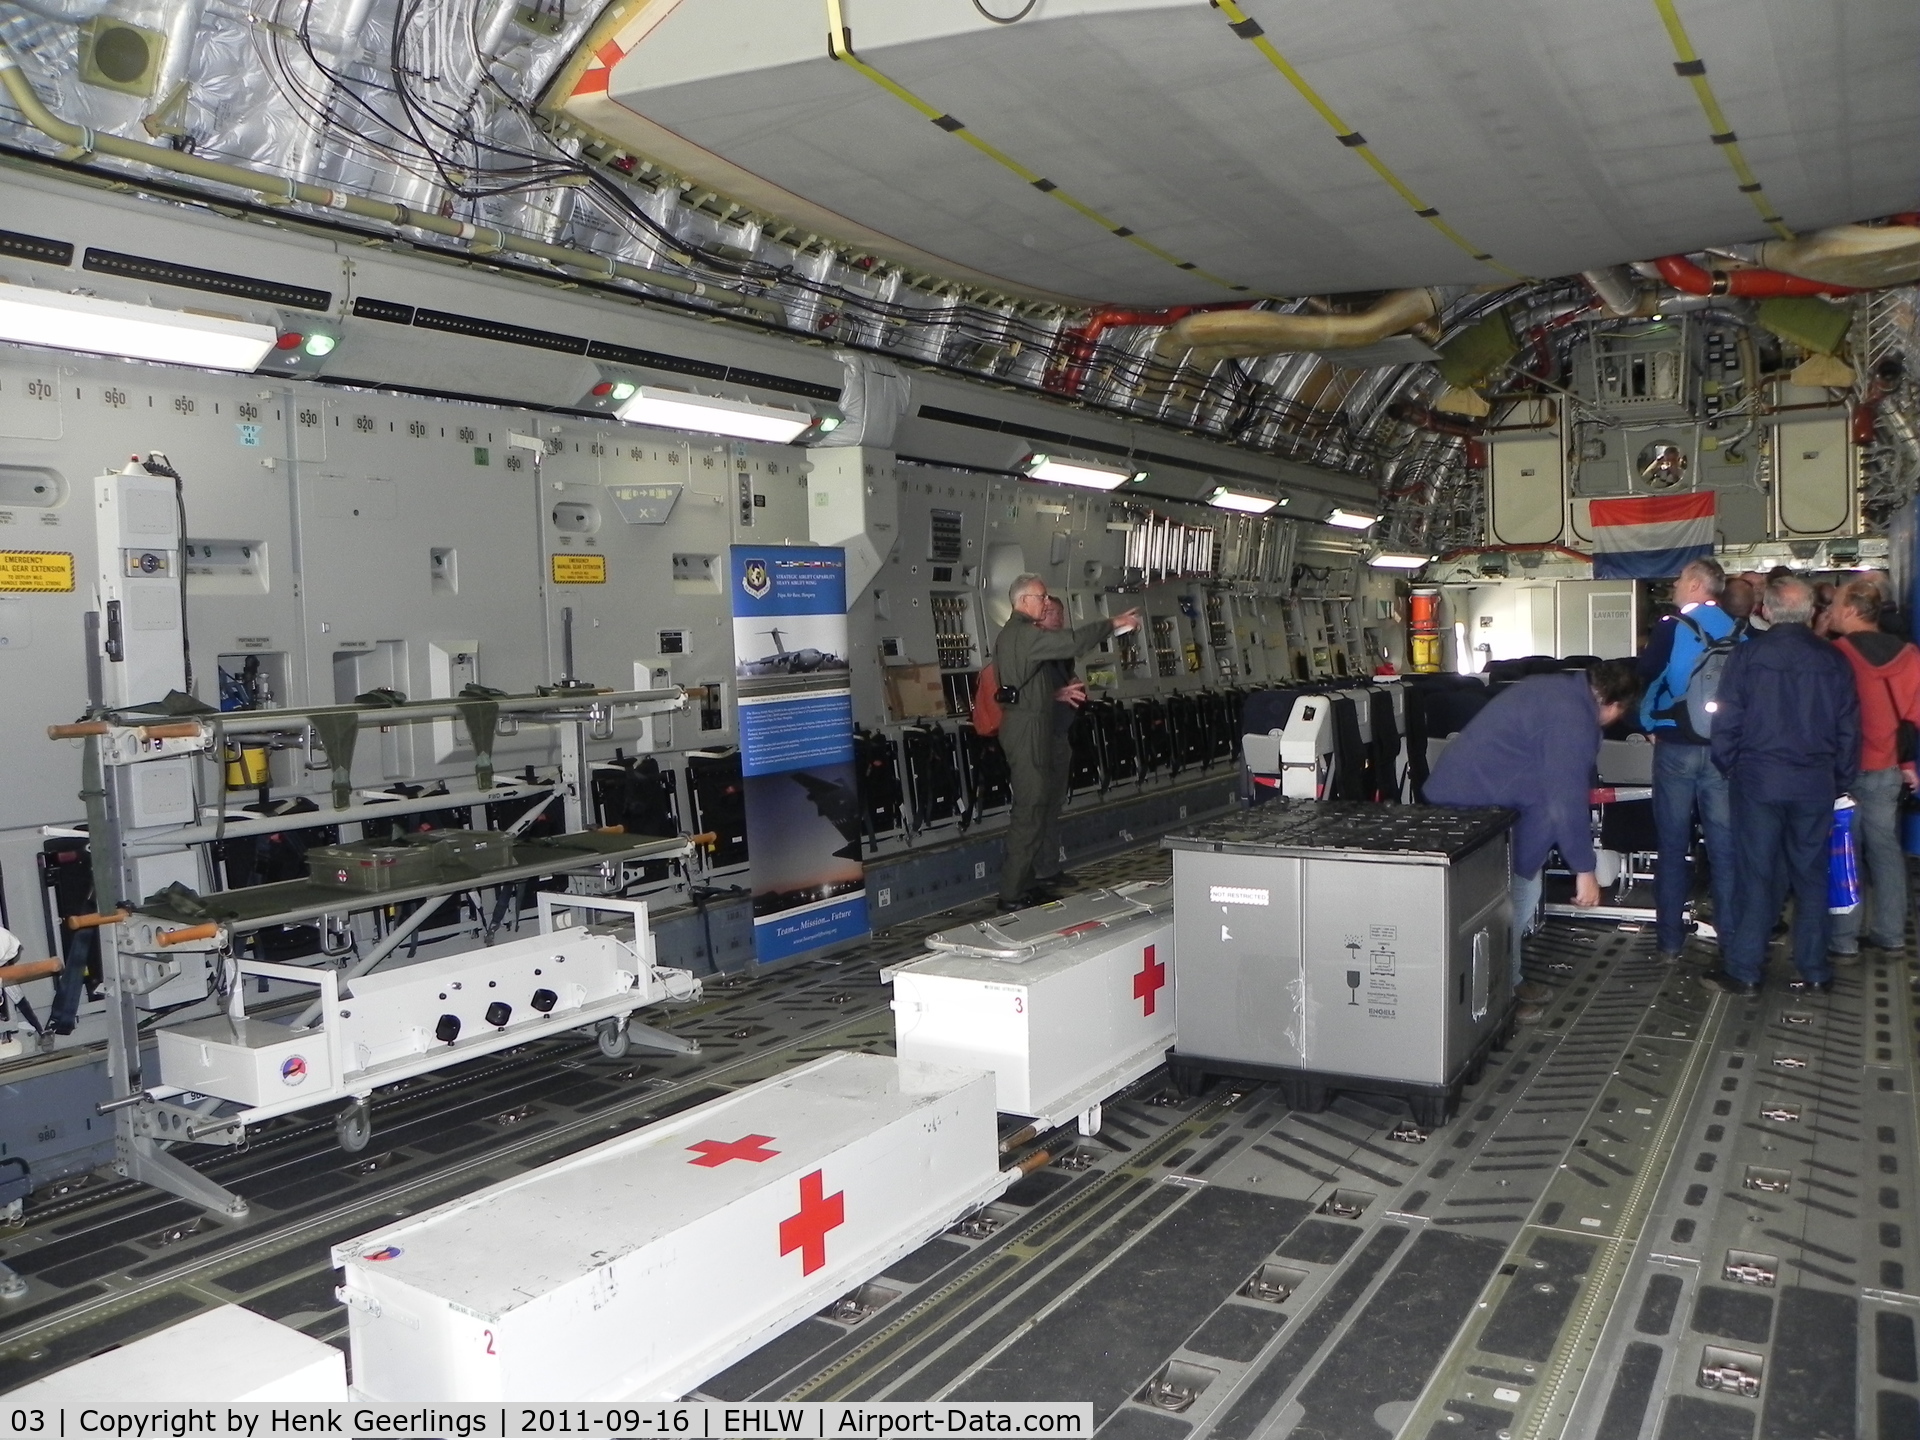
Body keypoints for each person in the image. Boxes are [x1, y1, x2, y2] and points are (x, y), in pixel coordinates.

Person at [1424, 660, 1643, 1024]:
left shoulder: (1559, 691)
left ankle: (1509, 979)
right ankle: (1496, 1000)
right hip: (1470, 808)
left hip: (1489, 801)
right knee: (1505, 905)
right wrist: (1584, 870)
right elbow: (1565, 796)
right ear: (1614, 704)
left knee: (1519, 894)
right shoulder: (1571, 717)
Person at [1706, 575, 1860, 996]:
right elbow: (1849, 729)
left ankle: (1746, 970)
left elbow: (1726, 721)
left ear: (1767, 611)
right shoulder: (1834, 660)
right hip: (1815, 783)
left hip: (1758, 780)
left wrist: (1731, 767)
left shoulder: (1747, 657)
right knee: (1811, 875)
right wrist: (1839, 779)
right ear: (1811, 611)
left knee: (1756, 874)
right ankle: (1813, 969)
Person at [993, 575, 1139, 908]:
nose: (1046, 604)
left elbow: (1031, 684)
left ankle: (1026, 882)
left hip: (1034, 726)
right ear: (1024, 599)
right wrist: (1113, 622)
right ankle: (1011, 894)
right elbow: (1072, 641)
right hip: (1027, 731)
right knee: (1030, 810)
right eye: (1042, 598)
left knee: (1039, 807)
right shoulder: (1023, 635)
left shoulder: (1019, 635)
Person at [1636, 558, 1739, 965]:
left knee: (1673, 845)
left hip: (1676, 745)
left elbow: (1649, 674)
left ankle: (1669, 942)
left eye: (1680, 579)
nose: (1675, 585)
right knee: (1725, 848)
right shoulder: (1738, 629)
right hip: (1723, 753)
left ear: (1697, 585)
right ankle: (1731, 941)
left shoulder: (1672, 628)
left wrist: (1648, 721)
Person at [1827, 580, 1920, 961]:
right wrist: (1908, 764)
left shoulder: (1836, 655)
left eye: (1834, 604)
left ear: (1851, 610)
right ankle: (1891, 934)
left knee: (1844, 853)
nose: (1830, 610)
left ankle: (1844, 940)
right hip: (1887, 768)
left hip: (1844, 769)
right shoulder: (1910, 655)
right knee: (1885, 850)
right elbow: (1913, 717)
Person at [1033, 595, 1090, 889]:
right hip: (1039, 738)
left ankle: (1048, 866)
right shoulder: (1031, 650)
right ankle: (1036, 870)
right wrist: (1056, 695)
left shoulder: (1061, 653)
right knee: (1039, 805)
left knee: (1053, 804)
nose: (1060, 621)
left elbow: (1068, 679)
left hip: (1059, 733)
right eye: (1055, 614)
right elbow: (1021, 692)